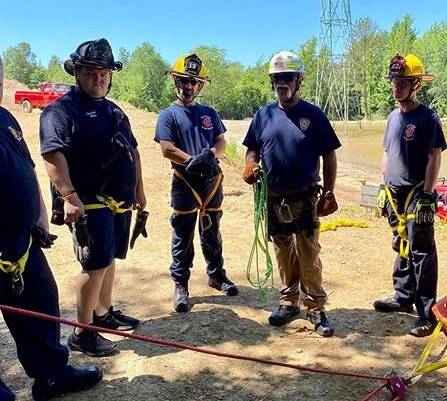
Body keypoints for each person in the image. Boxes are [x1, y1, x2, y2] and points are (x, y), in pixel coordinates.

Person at [0, 54, 102, 400]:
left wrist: (40, 220)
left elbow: (28, 170)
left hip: (24, 244)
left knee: (43, 307)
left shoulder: (5, 119)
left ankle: (53, 375)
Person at [40, 39, 146, 357]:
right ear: (77, 73)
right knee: (94, 264)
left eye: (104, 73)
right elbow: (51, 154)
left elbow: (134, 150)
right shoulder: (61, 110)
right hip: (87, 202)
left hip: (118, 202)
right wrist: (70, 196)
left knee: (108, 258)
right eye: (91, 72)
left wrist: (139, 191)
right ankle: (83, 333)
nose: (98, 78)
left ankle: (104, 313)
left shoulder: (114, 110)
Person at [242, 50, 340, 337]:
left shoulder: (314, 115)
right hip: (274, 199)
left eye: (287, 79)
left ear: (299, 81)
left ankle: (315, 308)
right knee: (283, 254)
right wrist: (250, 165)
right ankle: (288, 303)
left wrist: (330, 192)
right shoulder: (263, 115)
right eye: (276, 79)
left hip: (306, 198)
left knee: (309, 254)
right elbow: (252, 149)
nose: (281, 84)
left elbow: (329, 155)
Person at [155, 53, 236, 313]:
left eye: (193, 82)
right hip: (184, 182)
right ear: (176, 82)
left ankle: (216, 275)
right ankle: (181, 284)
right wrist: (192, 160)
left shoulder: (209, 113)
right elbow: (167, 149)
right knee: (183, 233)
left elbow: (221, 142)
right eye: (184, 81)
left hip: (211, 182)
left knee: (212, 231)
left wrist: (210, 155)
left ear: (200, 85)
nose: (188, 86)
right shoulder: (168, 115)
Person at [373, 53, 447, 337]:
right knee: (400, 244)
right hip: (394, 195)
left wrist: (428, 195)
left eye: (403, 82)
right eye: (394, 82)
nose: (397, 87)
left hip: (418, 194)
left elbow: (434, 157)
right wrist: (383, 187)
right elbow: (386, 153)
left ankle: (426, 314)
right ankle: (403, 296)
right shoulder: (393, 117)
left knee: (422, 251)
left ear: (417, 84)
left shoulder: (428, 118)